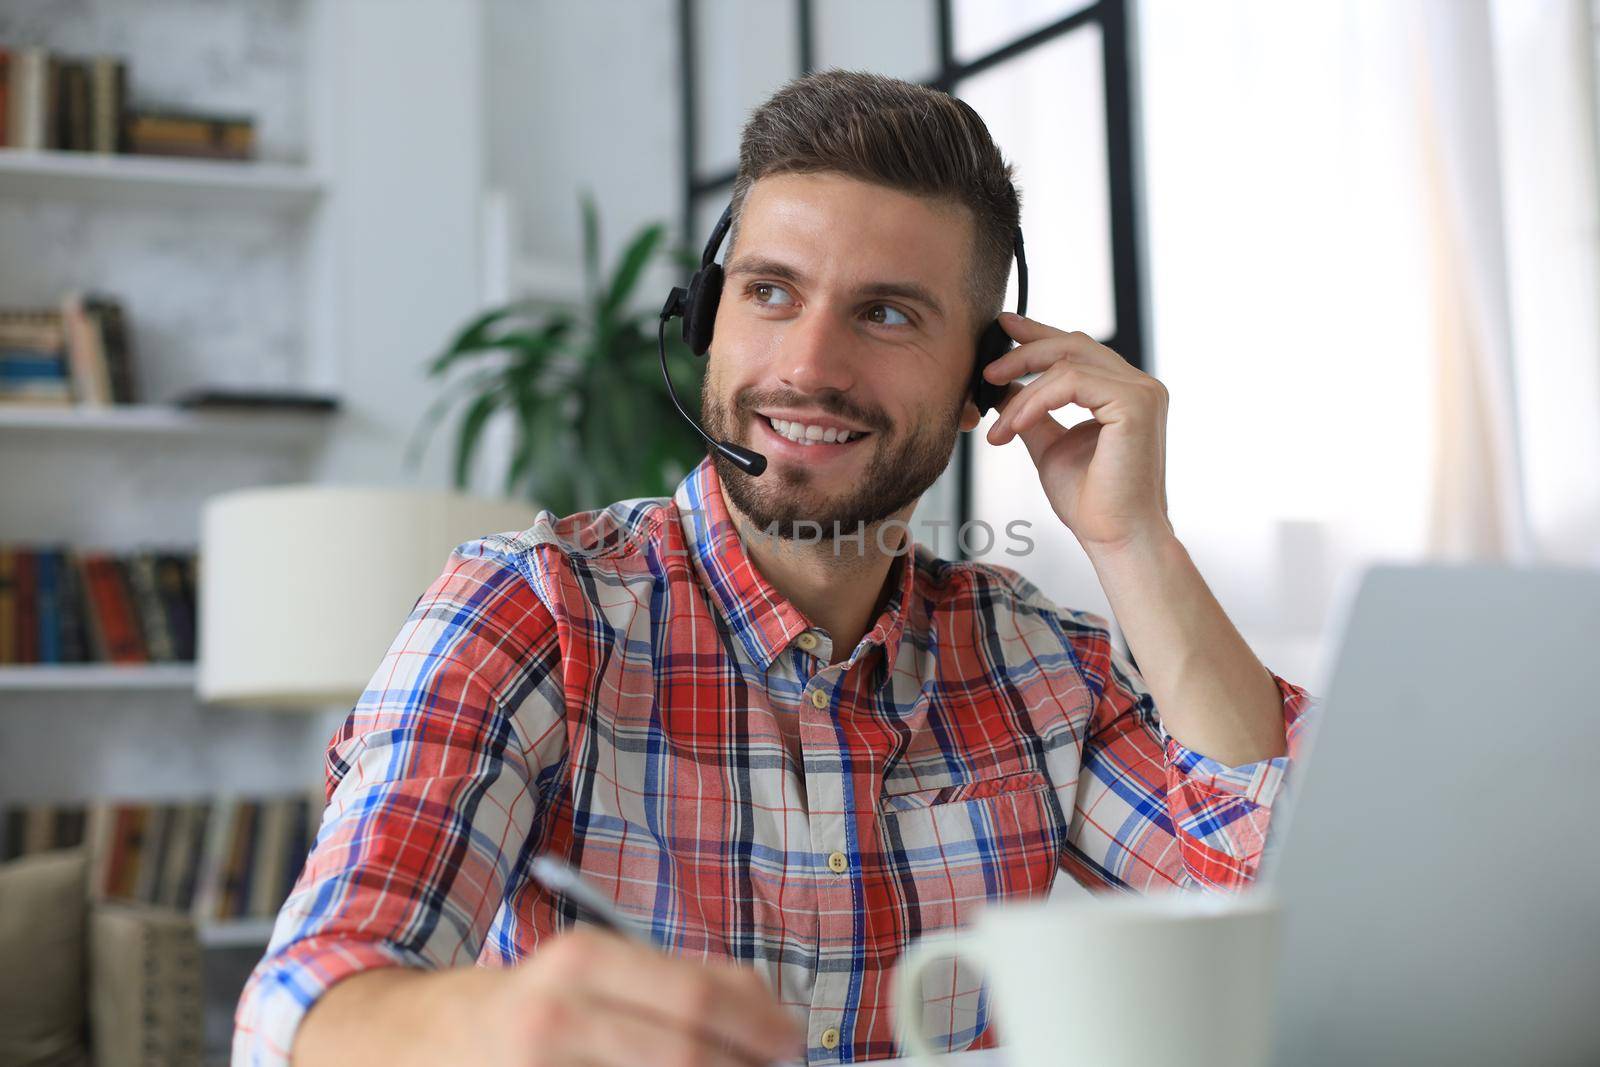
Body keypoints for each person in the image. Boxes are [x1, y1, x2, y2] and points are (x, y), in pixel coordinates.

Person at [234, 69, 1315, 1067]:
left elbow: (1282, 919)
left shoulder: (1036, 662)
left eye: (886, 313)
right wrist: (481, 1021)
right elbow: (302, 1004)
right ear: (708, 318)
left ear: (986, 374)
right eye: (770, 292)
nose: (807, 366)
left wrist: (1133, 538)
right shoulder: (534, 610)